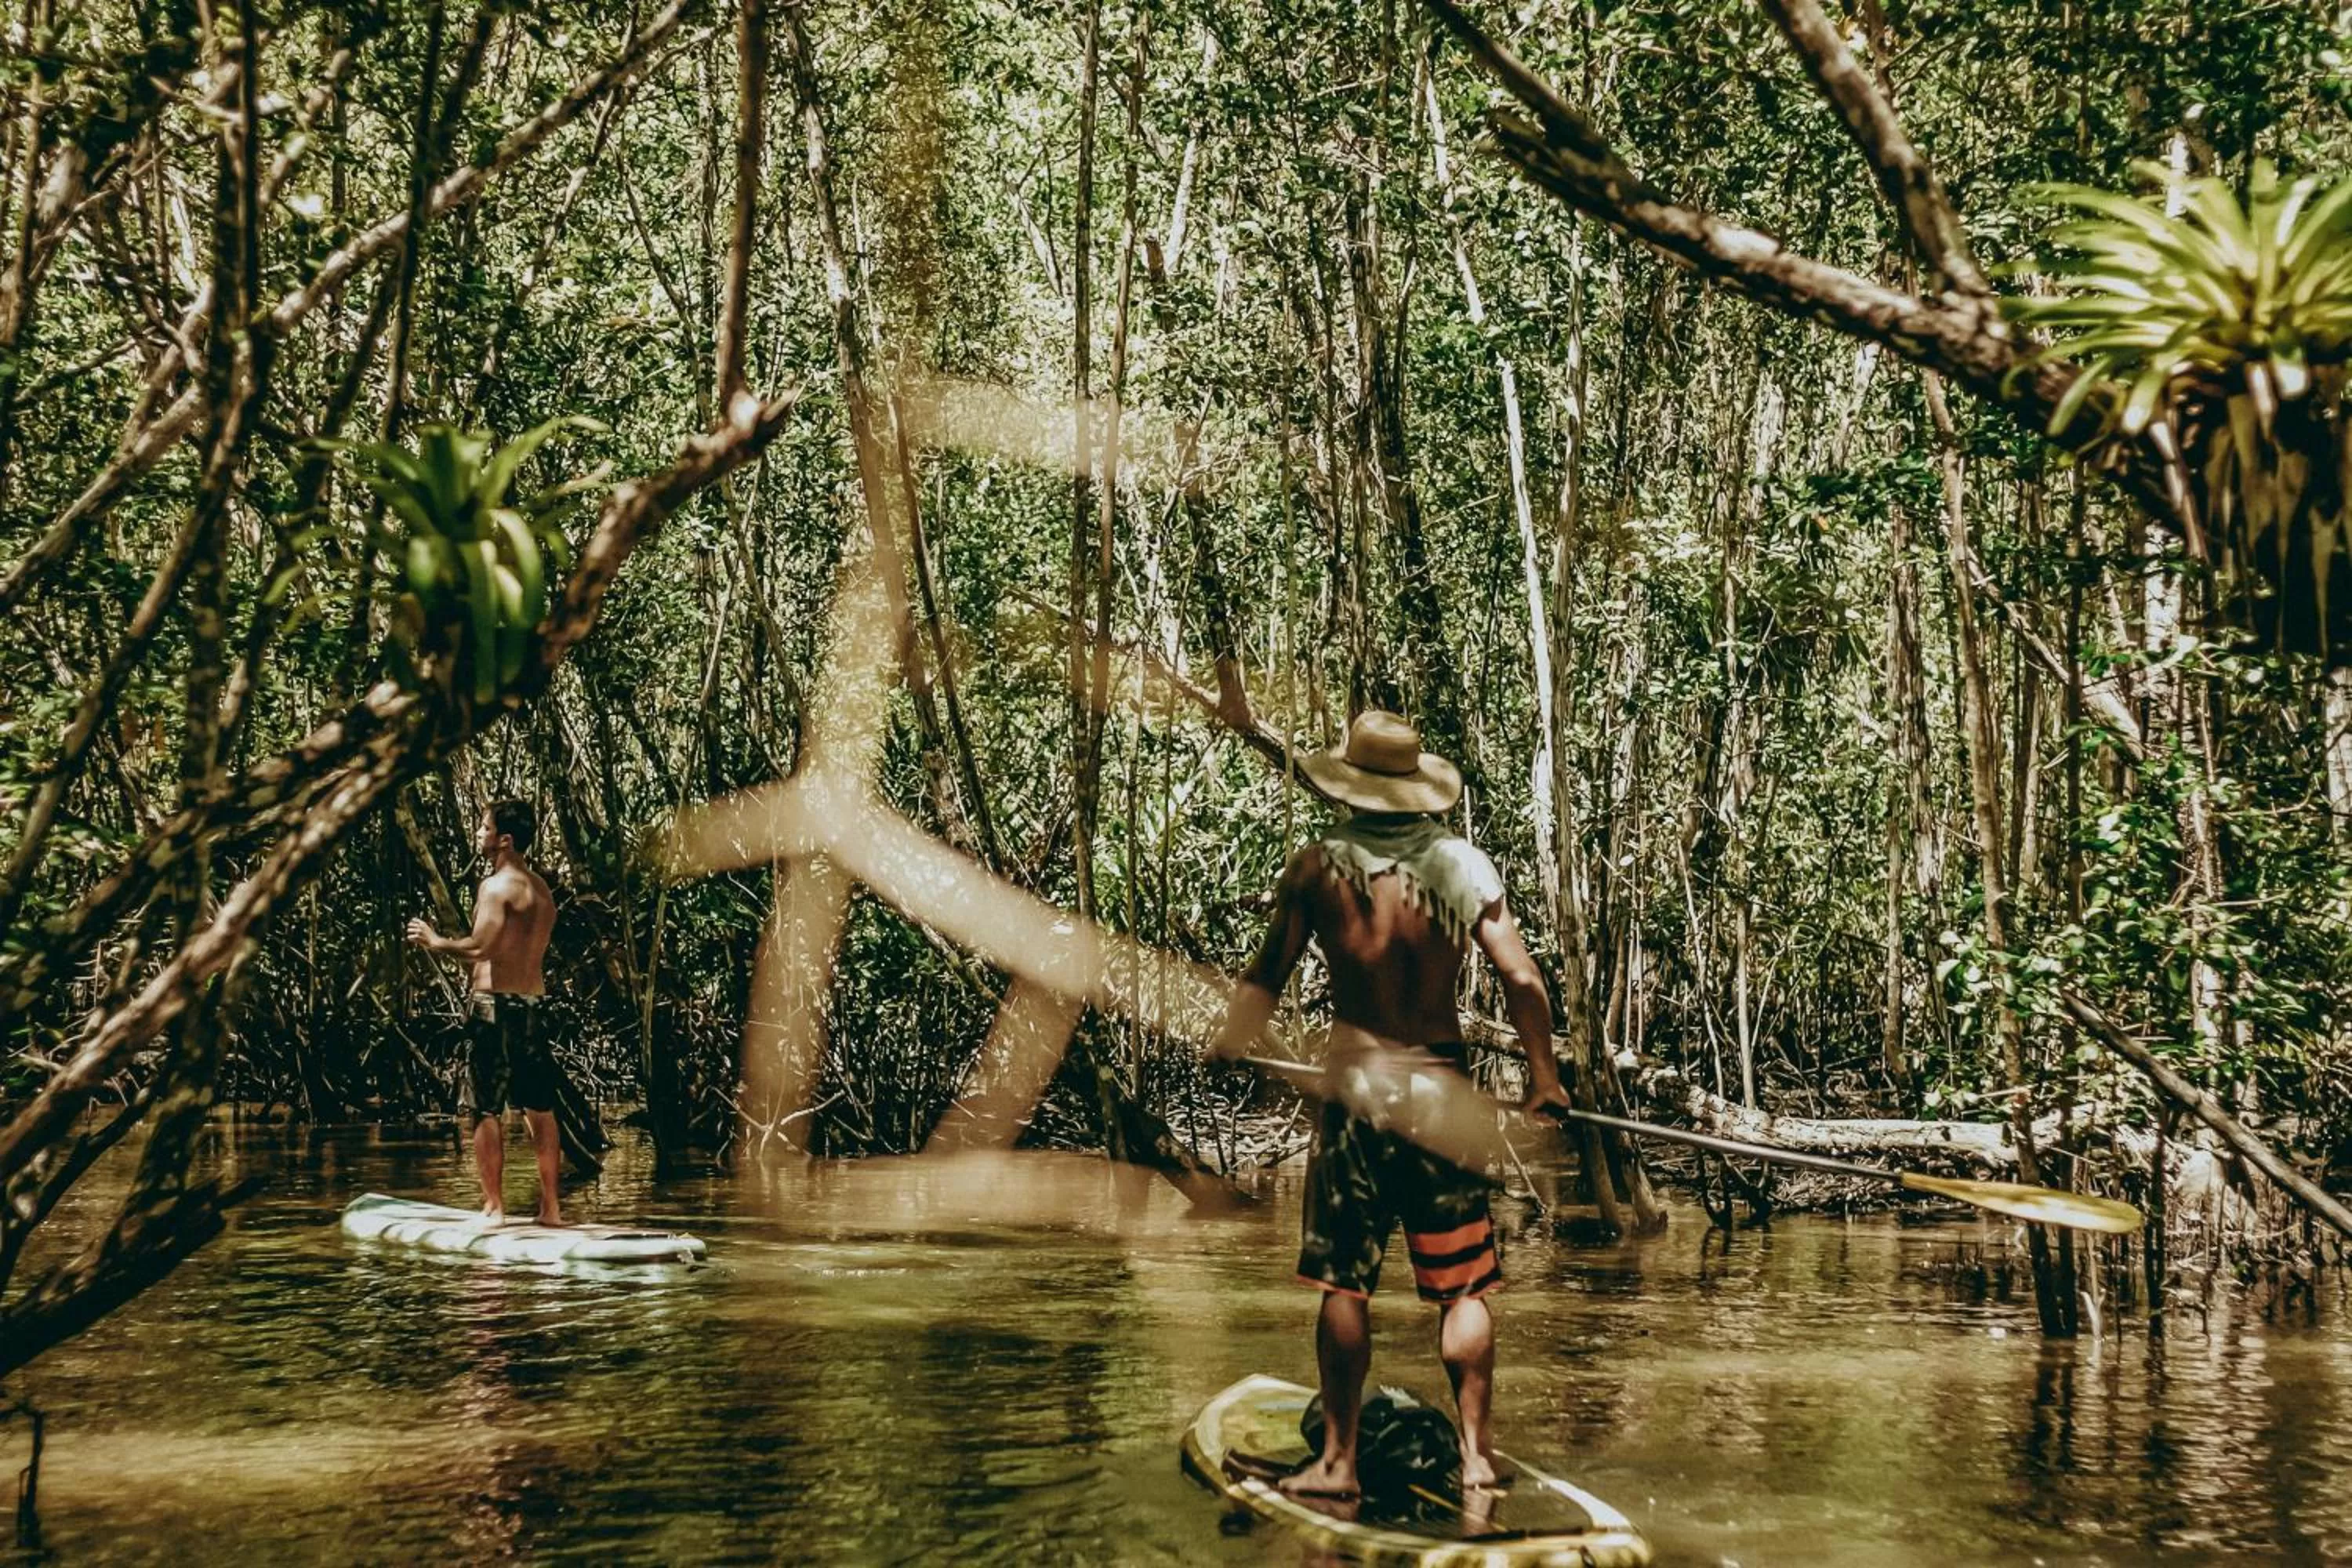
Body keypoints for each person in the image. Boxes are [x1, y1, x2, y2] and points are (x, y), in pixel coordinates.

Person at [1214, 710, 1571, 1498]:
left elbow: (1268, 971)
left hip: (1361, 1094)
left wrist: (1231, 1040)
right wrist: (1543, 1077)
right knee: (1465, 1283)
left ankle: (1337, 1462)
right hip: (1442, 1093)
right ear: (1416, 786)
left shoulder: (1318, 868)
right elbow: (1522, 979)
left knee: (1346, 1283)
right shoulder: (1461, 864)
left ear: (1352, 783)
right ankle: (1478, 1458)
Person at [407, 798, 563, 1226]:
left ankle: (494, 1208)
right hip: (532, 1005)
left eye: (484, 827)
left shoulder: (494, 888)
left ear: (504, 840)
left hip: (493, 1007)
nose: (480, 833)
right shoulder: (543, 892)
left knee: (485, 1107)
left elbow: (481, 948)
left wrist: (435, 941)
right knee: (540, 1108)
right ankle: (551, 1209)